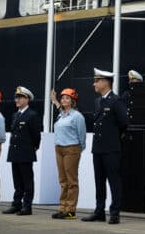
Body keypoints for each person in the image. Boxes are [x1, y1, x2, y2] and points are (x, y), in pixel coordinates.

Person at [83, 68, 129, 224]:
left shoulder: (116, 101)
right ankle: (99, 211)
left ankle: (115, 212)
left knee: (114, 181)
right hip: (98, 148)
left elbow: (124, 122)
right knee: (99, 181)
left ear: (105, 82)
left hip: (111, 148)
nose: (94, 84)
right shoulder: (98, 102)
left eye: (97, 81)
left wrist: (114, 137)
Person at [49, 87, 86, 219]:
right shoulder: (61, 114)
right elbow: (59, 107)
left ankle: (70, 209)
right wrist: (54, 100)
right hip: (59, 148)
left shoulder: (77, 116)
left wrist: (78, 149)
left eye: (67, 98)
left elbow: (82, 135)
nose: (63, 100)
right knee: (63, 180)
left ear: (72, 101)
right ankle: (63, 207)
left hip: (71, 148)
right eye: (62, 97)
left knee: (71, 180)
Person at [4, 86, 40, 216]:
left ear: (27, 99)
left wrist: (32, 148)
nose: (17, 100)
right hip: (15, 152)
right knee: (17, 181)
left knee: (27, 181)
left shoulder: (32, 115)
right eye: (16, 97)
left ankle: (27, 206)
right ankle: (16, 204)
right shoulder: (15, 115)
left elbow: (36, 136)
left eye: (20, 97)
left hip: (25, 152)